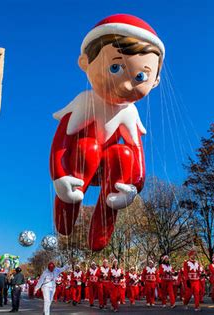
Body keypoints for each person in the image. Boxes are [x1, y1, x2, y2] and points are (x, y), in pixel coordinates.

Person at [50, 14, 165, 252]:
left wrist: (134, 186)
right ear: (85, 64)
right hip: (80, 165)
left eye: (140, 76)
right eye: (115, 67)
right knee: (87, 146)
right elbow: (62, 141)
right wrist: (60, 176)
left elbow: (137, 154)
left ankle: (103, 226)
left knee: (123, 153)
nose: (125, 85)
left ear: (155, 81)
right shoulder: (85, 103)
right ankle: (66, 207)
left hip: (111, 171)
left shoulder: (129, 113)